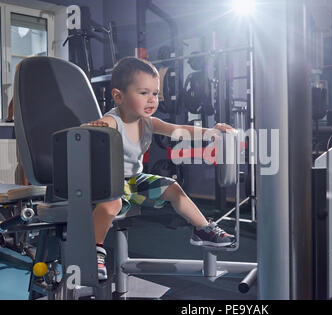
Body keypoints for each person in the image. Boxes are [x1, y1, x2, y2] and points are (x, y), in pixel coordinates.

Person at [82, 57, 236, 280]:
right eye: (143, 93)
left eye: (155, 93)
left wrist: (211, 132)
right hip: (107, 183)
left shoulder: (148, 122)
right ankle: (94, 251)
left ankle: (203, 229)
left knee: (172, 188)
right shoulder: (112, 121)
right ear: (118, 96)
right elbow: (90, 129)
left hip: (133, 181)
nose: (151, 100)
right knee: (111, 204)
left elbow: (178, 130)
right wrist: (92, 127)